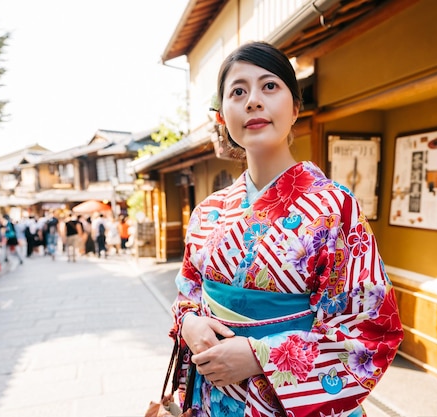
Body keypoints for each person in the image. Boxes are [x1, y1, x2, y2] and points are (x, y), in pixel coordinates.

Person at [170, 41, 403, 416]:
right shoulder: (207, 211)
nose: (253, 101)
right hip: (214, 398)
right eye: (238, 91)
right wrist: (190, 323)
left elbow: (370, 328)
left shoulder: (334, 207)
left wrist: (262, 355)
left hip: (284, 403)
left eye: (269, 86)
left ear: (296, 108)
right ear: (222, 116)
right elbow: (188, 292)